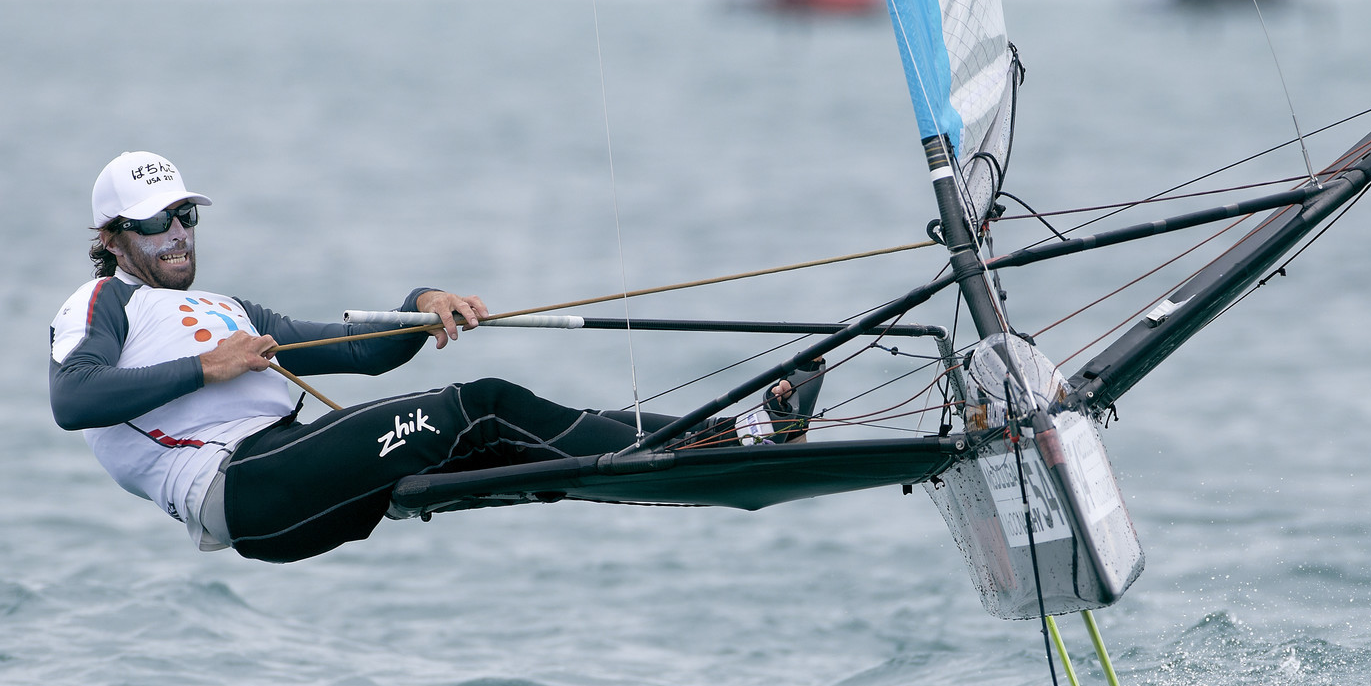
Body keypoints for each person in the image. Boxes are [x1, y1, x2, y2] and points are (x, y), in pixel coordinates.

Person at [50, 152, 823, 562]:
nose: (180, 233)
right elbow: (72, 402)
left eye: (186, 214)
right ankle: (714, 446)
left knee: (502, 426)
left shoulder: (230, 311)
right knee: (474, 403)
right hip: (243, 488)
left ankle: (738, 438)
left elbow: (356, 350)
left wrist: (420, 307)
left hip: (300, 471)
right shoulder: (100, 306)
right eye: (158, 222)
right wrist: (207, 368)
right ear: (113, 237)